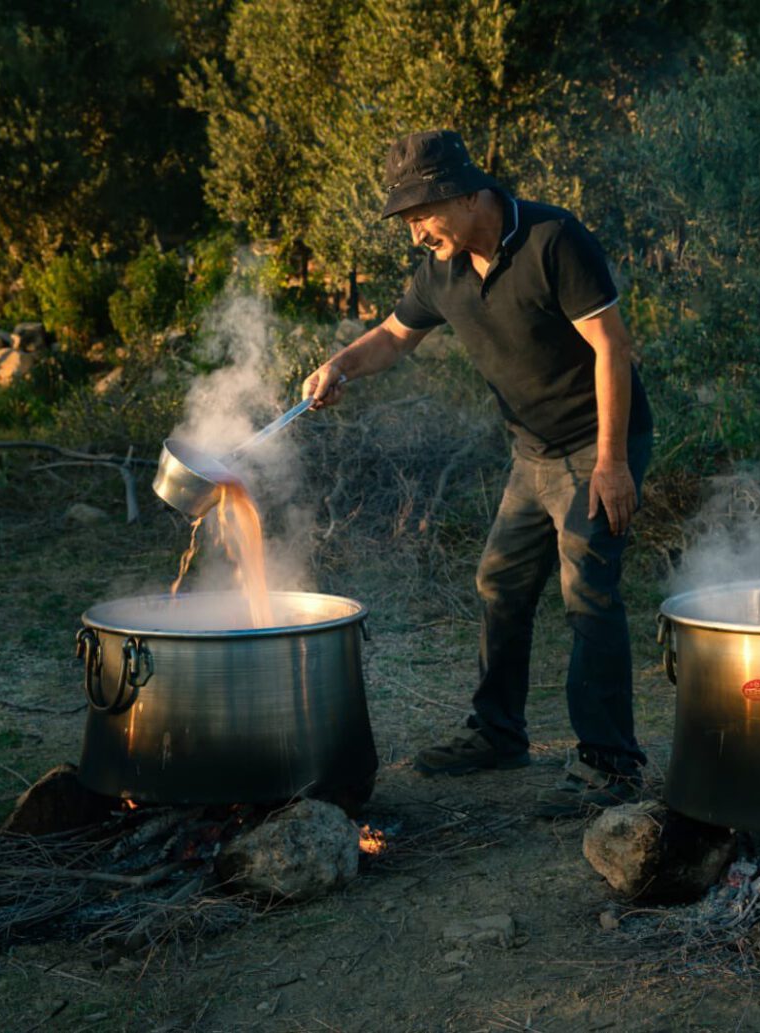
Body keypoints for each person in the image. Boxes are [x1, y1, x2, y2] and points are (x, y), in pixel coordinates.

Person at [302, 129, 654, 816]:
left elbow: (611, 348)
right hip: (532, 452)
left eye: (419, 217)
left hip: (598, 442)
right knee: (500, 581)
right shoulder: (442, 268)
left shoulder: (554, 239)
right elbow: (394, 335)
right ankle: (498, 733)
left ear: (465, 195)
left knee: (588, 593)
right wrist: (341, 363)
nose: (413, 236)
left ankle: (610, 762)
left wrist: (612, 463)